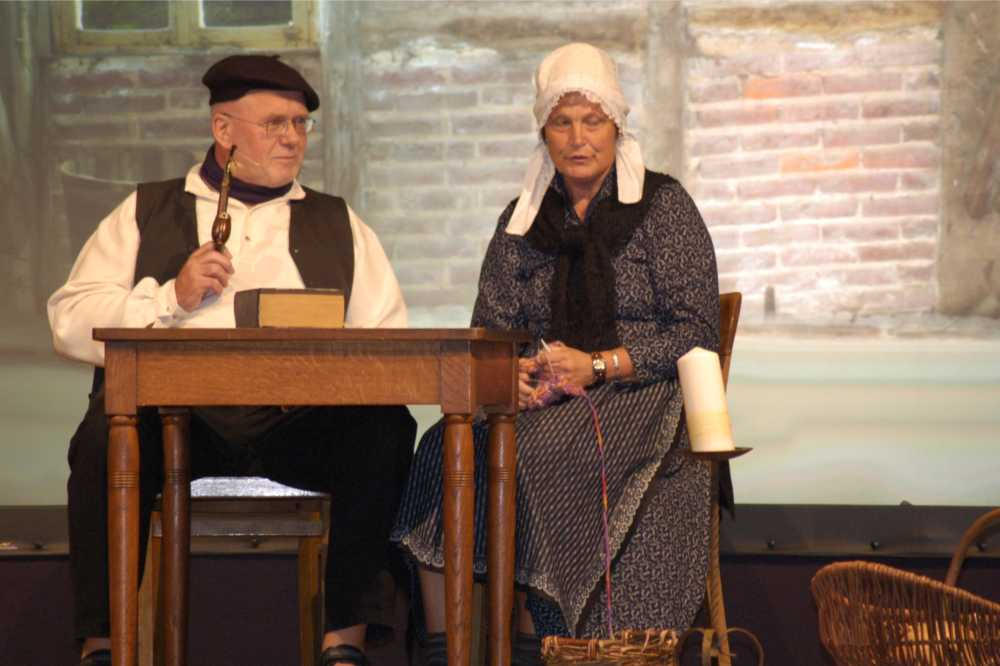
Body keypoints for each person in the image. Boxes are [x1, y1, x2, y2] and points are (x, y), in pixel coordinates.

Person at [49, 54, 415, 666]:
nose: (292, 138)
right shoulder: (147, 209)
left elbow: (386, 339)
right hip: (177, 421)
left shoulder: (338, 221)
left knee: (384, 426)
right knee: (104, 437)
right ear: (223, 129)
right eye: (274, 123)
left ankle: (344, 644)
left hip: (298, 423)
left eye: (300, 124)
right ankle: (103, 645)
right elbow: (69, 317)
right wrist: (172, 296)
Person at [391, 43, 721, 664]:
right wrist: (508, 374)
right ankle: (443, 648)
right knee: (440, 447)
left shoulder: (662, 207)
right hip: (541, 398)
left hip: (638, 393)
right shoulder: (520, 221)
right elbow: (490, 328)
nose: (577, 138)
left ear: (616, 125)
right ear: (543, 131)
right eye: (561, 122)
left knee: (535, 452)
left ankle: (533, 641)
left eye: (592, 121)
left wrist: (597, 365)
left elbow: (698, 330)